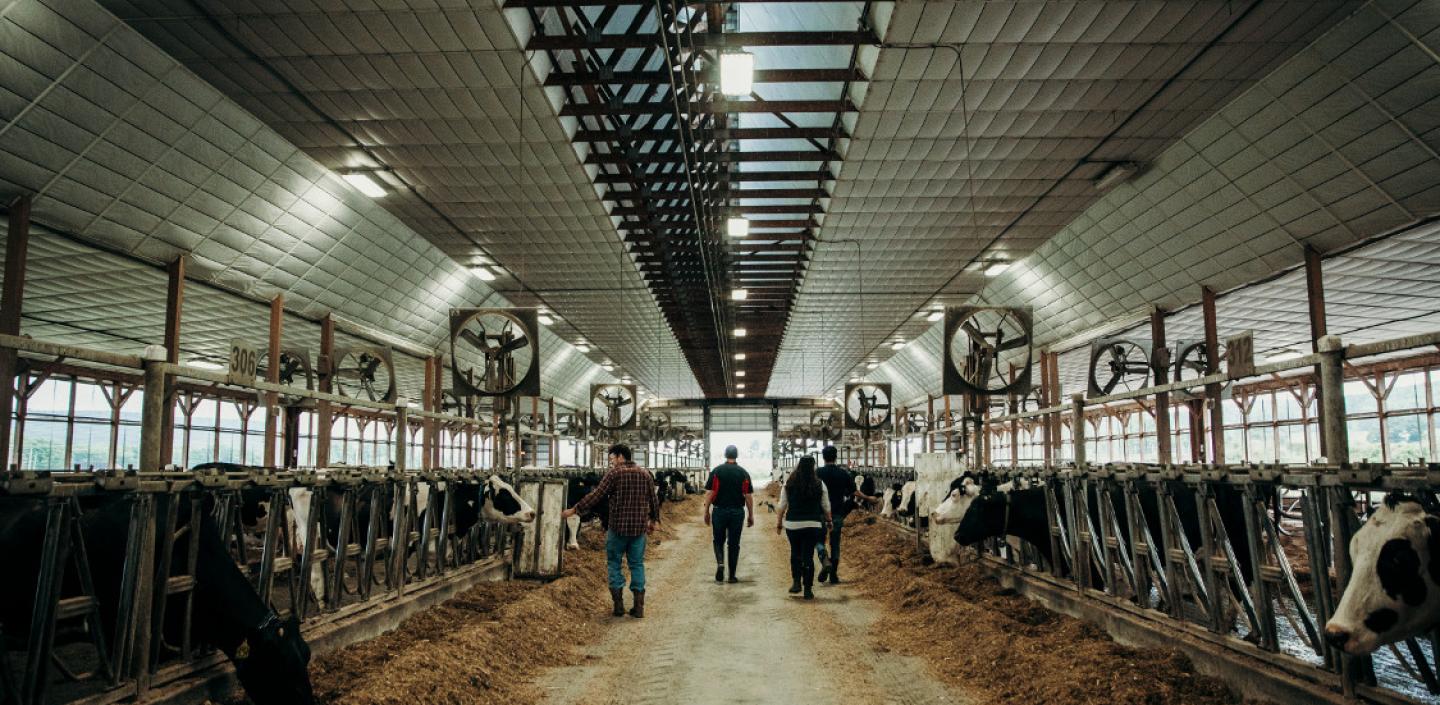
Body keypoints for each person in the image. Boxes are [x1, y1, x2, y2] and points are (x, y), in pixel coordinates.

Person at [562, 444, 659, 618]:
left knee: (614, 564)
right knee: (636, 564)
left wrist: (575, 509)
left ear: (620, 456)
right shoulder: (645, 474)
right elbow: (653, 499)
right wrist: (653, 520)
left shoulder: (614, 474)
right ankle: (638, 608)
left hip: (617, 528)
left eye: (612, 458)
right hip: (639, 529)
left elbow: (596, 495)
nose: (611, 462)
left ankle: (618, 606)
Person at [774, 456, 831, 600]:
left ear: (798, 465)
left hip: (793, 524)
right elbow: (826, 506)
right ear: (813, 467)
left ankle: (796, 583)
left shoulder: (789, 483)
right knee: (808, 556)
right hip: (813, 524)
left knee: (795, 553)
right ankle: (807, 589)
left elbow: (782, 505)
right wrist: (829, 521)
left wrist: (779, 523)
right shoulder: (819, 483)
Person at [703, 445, 754, 583]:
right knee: (734, 543)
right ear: (737, 455)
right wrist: (751, 514)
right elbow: (747, 495)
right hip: (737, 512)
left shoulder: (717, 471)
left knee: (718, 540)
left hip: (719, 511)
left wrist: (706, 511)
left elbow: (710, 493)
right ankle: (732, 576)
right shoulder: (743, 473)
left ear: (725, 455)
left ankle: (720, 563)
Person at [814, 445, 855, 584]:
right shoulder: (843, 473)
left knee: (818, 540)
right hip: (837, 513)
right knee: (835, 543)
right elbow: (853, 491)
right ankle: (834, 575)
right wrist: (868, 498)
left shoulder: (817, 473)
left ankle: (825, 559)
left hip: (820, 513)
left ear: (823, 457)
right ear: (836, 457)